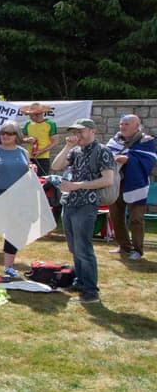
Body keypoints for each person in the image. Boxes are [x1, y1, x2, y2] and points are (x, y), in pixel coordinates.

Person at [50, 118, 115, 304]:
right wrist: (66, 147)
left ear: (92, 131)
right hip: (69, 203)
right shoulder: (75, 151)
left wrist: (78, 185)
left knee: (84, 248)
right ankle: (80, 281)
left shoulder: (102, 151)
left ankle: (91, 290)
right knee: (73, 246)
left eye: (81, 131)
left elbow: (107, 179)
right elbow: (56, 165)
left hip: (86, 204)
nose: (77, 135)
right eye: (75, 132)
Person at [0, 121, 37, 279]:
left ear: (17, 136)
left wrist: (32, 170)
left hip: (16, 198)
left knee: (14, 232)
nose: (5, 136)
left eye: (9, 133)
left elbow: (27, 174)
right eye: (3, 133)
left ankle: (9, 266)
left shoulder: (23, 152)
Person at [105, 114, 156, 260]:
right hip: (116, 183)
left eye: (126, 124)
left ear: (136, 125)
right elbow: (107, 154)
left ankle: (138, 250)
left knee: (136, 219)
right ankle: (124, 246)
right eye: (121, 124)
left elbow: (149, 159)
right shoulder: (114, 140)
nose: (122, 127)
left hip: (136, 184)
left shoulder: (146, 141)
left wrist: (127, 159)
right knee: (115, 216)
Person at [21, 102, 59, 175]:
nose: (30, 117)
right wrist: (27, 140)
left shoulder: (50, 124)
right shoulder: (28, 124)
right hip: (29, 158)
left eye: (31, 115)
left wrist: (41, 151)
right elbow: (21, 138)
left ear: (39, 115)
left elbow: (55, 142)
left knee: (42, 181)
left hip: (43, 159)